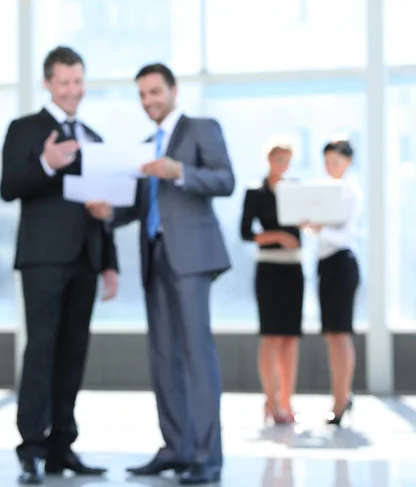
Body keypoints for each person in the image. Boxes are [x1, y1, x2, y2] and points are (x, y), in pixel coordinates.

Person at [88, 63, 235, 485]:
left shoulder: (201, 129)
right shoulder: (141, 148)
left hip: (191, 257)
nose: (149, 100)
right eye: (142, 95)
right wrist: (108, 214)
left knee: (196, 355)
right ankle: (176, 448)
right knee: (164, 357)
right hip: (156, 258)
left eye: (155, 91)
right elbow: (136, 207)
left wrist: (181, 172)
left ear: (173, 90)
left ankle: (207, 457)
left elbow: (225, 180)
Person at [0, 46, 119, 485]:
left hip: (86, 259)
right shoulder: (25, 129)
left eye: (78, 82)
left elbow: (105, 206)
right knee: (42, 351)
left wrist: (110, 263)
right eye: (64, 83)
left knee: (73, 354)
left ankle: (61, 447)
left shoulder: (94, 136)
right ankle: (31, 447)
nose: (73, 91)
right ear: (49, 83)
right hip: (43, 258)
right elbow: (9, 186)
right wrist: (46, 163)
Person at [240, 135, 303, 425]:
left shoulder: (296, 189)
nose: (283, 165)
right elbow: (245, 233)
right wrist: (277, 236)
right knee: (271, 335)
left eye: (287, 161)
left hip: (293, 270)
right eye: (279, 159)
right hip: (268, 269)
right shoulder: (255, 192)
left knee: (290, 336)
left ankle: (287, 401)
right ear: (269, 159)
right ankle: (270, 399)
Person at [304, 139, 362, 426]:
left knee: (339, 334)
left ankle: (341, 400)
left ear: (347, 162)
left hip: (342, 264)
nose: (330, 167)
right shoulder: (327, 191)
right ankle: (340, 396)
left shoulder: (350, 191)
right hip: (327, 266)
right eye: (327, 161)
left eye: (335, 161)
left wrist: (317, 228)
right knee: (332, 334)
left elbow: (344, 235)